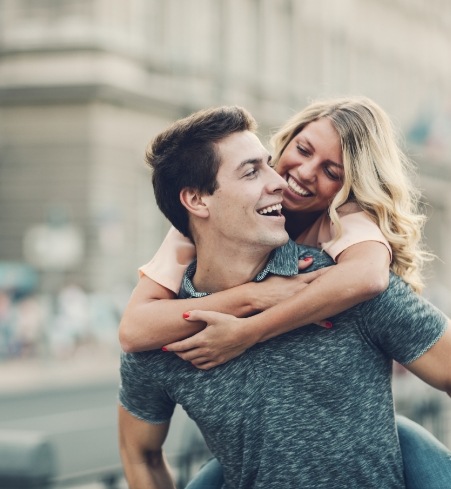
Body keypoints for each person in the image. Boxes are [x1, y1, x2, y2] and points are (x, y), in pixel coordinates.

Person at [118, 105, 451, 488]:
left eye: (332, 172)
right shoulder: (162, 332)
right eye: (253, 170)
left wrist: (251, 329)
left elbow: (369, 277)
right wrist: (257, 296)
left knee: (407, 437)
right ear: (196, 201)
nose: (282, 180)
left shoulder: (339, 284)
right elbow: (138, 452)